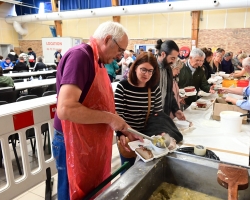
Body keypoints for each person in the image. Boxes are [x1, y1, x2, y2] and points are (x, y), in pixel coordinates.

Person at [53, 21, 141, 200]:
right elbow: (65, 108)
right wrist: (109, 118)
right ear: (108, 39)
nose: (120, 56)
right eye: (120, 50)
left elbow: (100, 105)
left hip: (88, 140)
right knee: (71, 193)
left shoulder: (97, 61)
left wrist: (124, 127)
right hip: (71, 141)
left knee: (90, 191)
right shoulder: (80, 57)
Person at [115, 52, 162, 171]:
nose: (147, 74)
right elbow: (118, 114)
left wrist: (159, 132)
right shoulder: (123, 86)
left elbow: (158, 114)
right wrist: (121, 133)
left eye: (150, 71)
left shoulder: (154, 88)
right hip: (128, 137)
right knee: (128, 171)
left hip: (148, 137)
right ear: (135, 67)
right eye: (143, 70)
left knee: (147, 170)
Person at [155, 39, 185, 120]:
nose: (174, 61)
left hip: (164, 114)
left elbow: (169, 93)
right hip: (152, 116)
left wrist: (176, 110)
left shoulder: (168, 69)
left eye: (175, 58)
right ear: (163, 54)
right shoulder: (151, 68)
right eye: (172, 58)